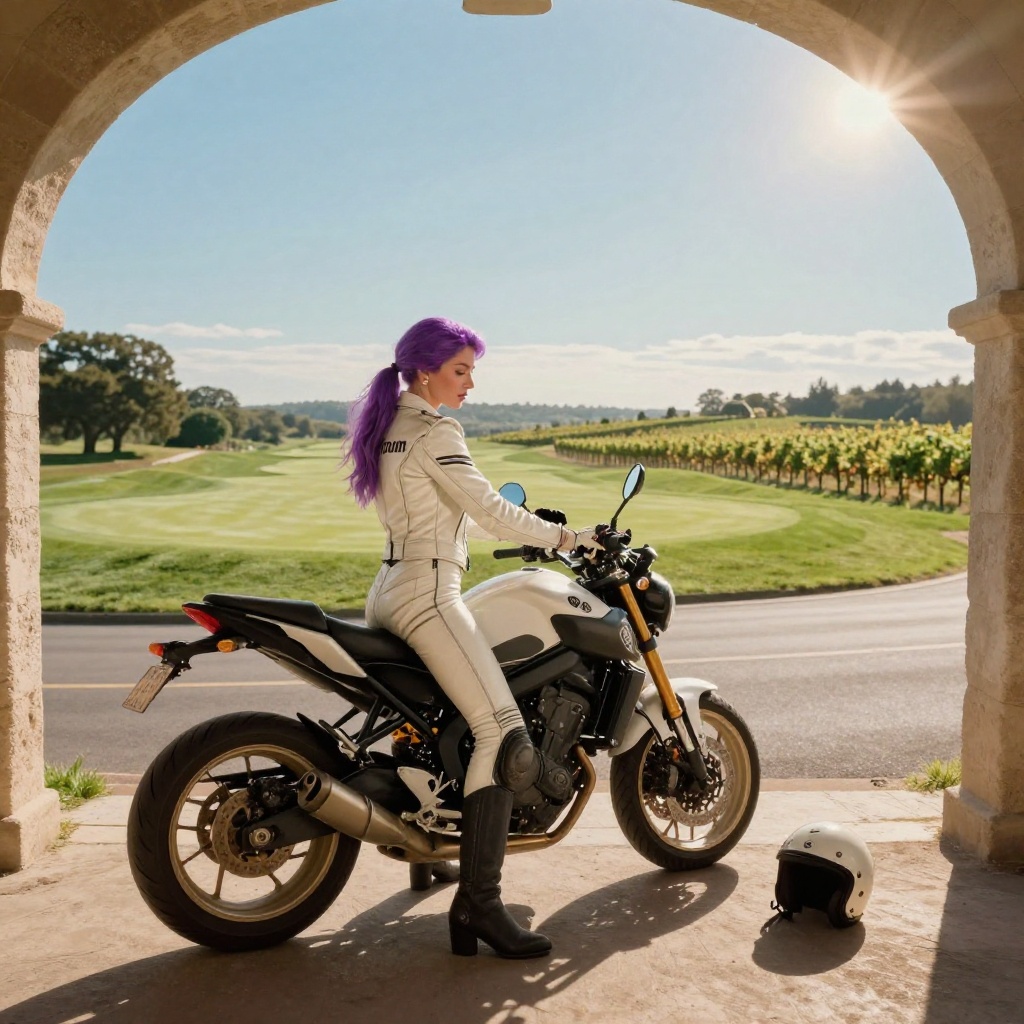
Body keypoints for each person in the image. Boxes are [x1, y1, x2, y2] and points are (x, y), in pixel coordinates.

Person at [343, 317, 603, 959]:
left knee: (436, 718)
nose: (470, 383)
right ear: (425, 371)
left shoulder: (390, 425)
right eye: (460, 370)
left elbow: (456, 510)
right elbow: (490, 510)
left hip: (387, 590)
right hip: (428, 593)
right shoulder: (436, 430)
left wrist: (536, 528)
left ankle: (429, 857)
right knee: (502, 733)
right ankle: (479, 905)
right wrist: (571, 538)